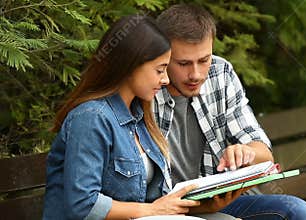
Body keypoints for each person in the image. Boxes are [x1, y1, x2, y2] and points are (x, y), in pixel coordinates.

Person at [154, 4, 306, 220]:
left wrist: (246, 152)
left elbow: (264, 154)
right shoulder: (147, 86)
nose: (196, 74)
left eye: (204, 60)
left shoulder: (220, 73)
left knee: (298, 212)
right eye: (183, 63)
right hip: (166, 208)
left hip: (222, 201)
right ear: (163, 56)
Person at [43, 15, 211, 220]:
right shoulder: (91, 118)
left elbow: (153, 201)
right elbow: (83, 205)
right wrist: (153, 210)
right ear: (130, 66)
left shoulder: (139, 118)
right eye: (159, 70)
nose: (166, 79)